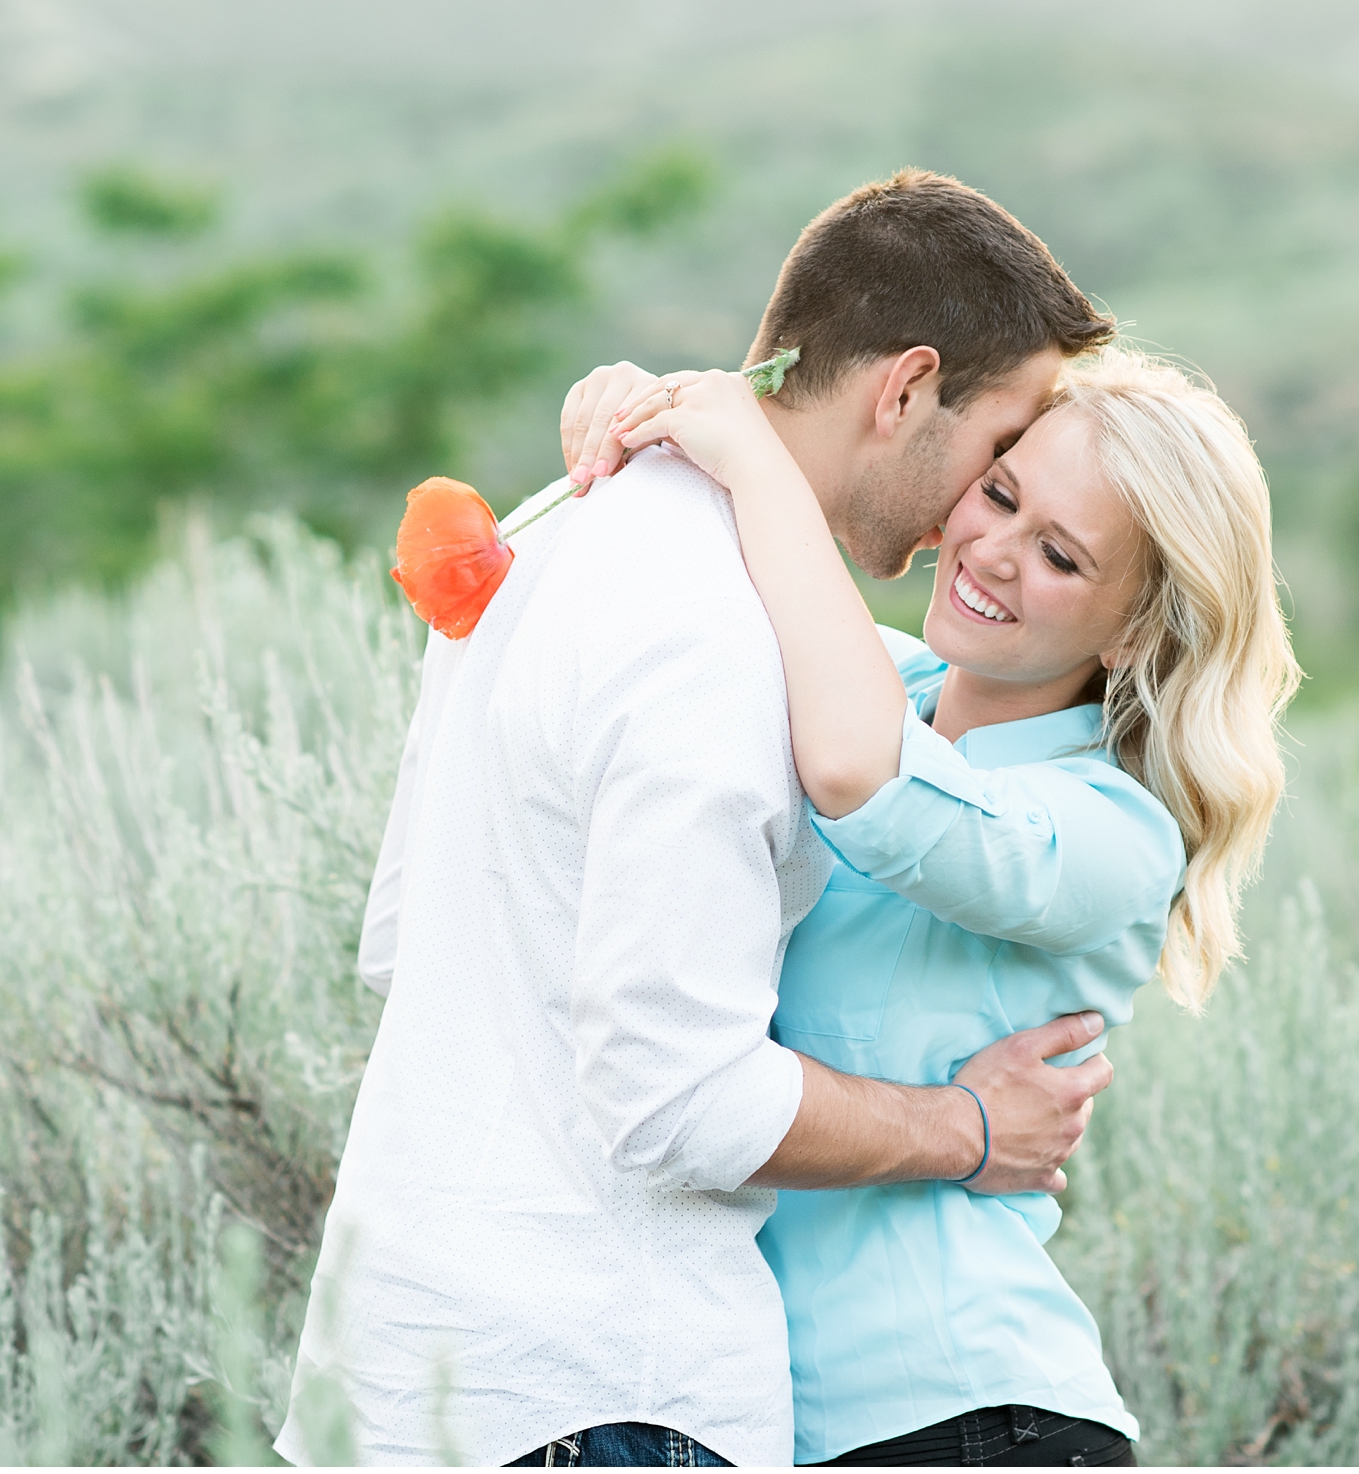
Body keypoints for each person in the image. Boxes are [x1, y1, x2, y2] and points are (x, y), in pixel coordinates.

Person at [277, 171, 1119, 1469]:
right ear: (903, 390)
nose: (977, 510)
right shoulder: (723, 647)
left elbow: (402, 940)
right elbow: (676, 1098)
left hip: (385, 1379)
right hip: (596, 1392)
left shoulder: (552, 539)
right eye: (995, 451)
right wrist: (970, 1128)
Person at [595, 346, 1300, 1467]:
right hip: (770, 1420)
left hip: (968, 1418)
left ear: (1128, 634)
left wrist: (754, 462)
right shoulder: (887, 685)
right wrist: (633, 418)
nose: (996, 553)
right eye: (1001, 493)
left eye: (1061, 556)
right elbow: (690, 609)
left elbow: (856, 776)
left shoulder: (1113, 834)